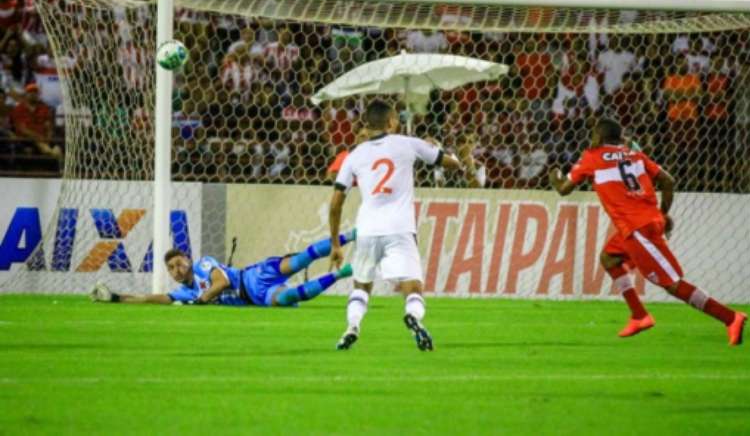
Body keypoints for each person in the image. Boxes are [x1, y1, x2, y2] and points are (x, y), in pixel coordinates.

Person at [548, 117, 747, 345]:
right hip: (644, 223)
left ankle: (730, 317)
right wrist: (663, 214)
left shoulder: (591, 157)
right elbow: (668, 181)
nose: (590, 139)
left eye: (593, 135)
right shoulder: (634, 154)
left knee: (671, 284)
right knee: (609, 257)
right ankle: (639, 315)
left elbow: (564, 190)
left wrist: (555, 177)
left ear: (599, 137)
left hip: (637, 229)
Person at [328, 99, 472, 351]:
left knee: (362, 286)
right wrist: (436, 148)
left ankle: (352, 326)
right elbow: (452, 164)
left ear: (367, 124)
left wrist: (335, 244)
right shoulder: (408, 143)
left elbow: (336, 203)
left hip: (368, 230)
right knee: (413, 287)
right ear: (392, 122)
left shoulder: (354, 155)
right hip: (400, 228)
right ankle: (413, 317)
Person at [90, 231, 357, 307]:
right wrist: (116, 298)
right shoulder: (185, 294)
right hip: (256, 298)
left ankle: (352, 234)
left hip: (253, 276)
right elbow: (152, 298)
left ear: (189, 259)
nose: (178, 268)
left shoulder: (204, 265)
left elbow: (221, 283)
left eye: (180, 261)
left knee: (299, 260)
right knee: (290, 297)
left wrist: (202, 300)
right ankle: (342, 273)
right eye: (171, 267)